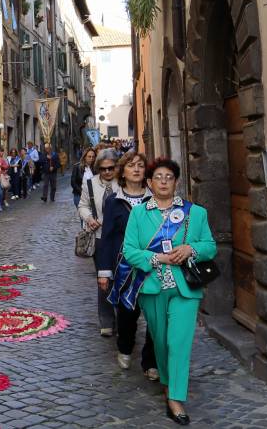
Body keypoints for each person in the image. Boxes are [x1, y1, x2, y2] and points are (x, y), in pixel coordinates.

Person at [122, 158, 216, 425]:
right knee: (161, 341)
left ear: (176, 181)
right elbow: (129, 251)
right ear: (150, 183)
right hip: (152, 287)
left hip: (185, 288)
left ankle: (175, 398)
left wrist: (191, 250)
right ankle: (167, 381)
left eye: (169, 176)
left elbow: (209, 245)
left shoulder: (195, 213)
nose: (163, 181)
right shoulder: (139, 214)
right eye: (158, 177)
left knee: (178, 342)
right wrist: (157, 259)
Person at [97, 153, 158, 381]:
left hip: (153, 267)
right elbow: (107, 236)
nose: (136, 169)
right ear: (122, 172)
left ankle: (150, 361)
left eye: (141, 165)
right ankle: (124, 347)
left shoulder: (156, 199)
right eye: (131, 166)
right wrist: (104, 271)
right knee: (127, 317)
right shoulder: (114, 201)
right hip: (124, 269)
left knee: (154, 317)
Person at [78, 148, 121, 336]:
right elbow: (82, 205)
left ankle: (123, 317)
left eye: (111, 168)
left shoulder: (124, 183)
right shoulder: (90, 184)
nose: (107, 172)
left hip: (121, 237)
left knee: (122, 277)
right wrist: (89, 218)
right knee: (104, 279)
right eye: (103, 169)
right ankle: (107, 320)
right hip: (99, 238)